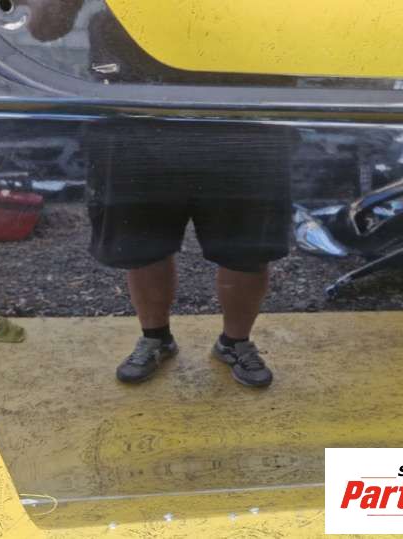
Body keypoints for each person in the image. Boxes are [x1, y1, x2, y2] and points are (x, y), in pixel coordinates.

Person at [86, 119, 291, 387]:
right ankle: (156, 338)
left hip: (243, 129)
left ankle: (234, 342)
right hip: (142, 124)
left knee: (248, 247)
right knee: (142, 243)